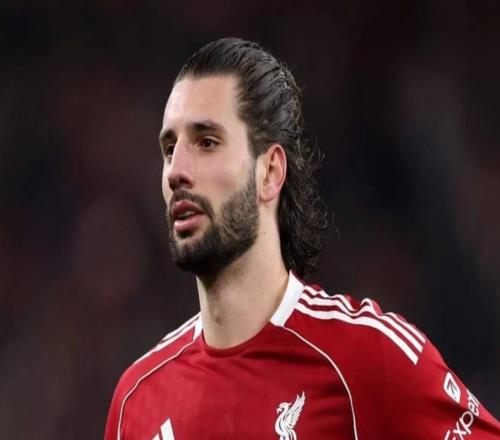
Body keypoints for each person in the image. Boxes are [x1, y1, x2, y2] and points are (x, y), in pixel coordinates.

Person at [104, 38, 500, 439]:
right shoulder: (137, 400)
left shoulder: (368, 357)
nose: (176, 171)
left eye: (207, 142)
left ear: (270, 172)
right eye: (169, 149)